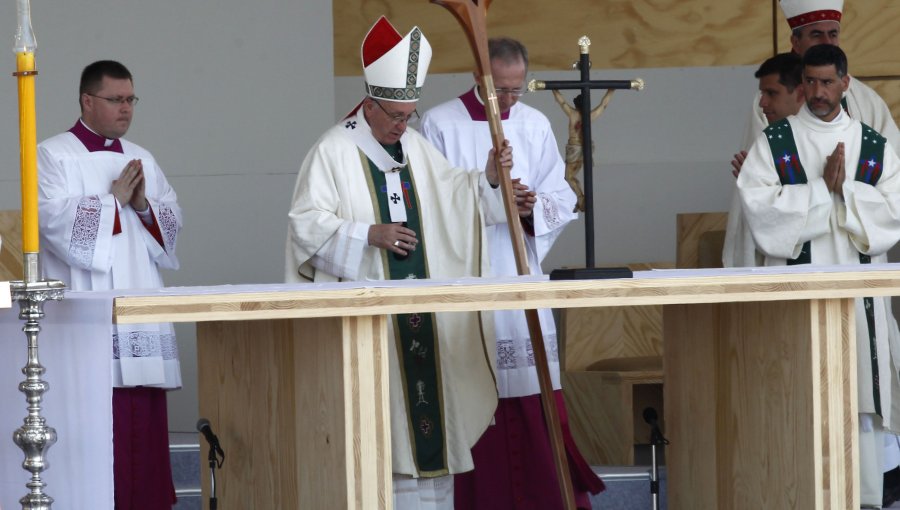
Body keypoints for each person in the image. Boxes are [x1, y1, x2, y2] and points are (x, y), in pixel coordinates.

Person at [284, 16, 512, 510]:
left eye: (409, 115)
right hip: (373, 330)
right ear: (368, 104)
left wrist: (489, 179)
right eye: (394, 115)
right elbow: (304, 225)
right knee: (383, 432)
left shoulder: (413, 146)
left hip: (422, 325)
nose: (401, 125)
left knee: (433, 435)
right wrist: (367, 233)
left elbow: (456, 198)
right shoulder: (333, 151)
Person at [420, 37, 604, 509]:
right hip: (470, 282)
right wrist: (493, 196)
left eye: (516, 90)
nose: (506, 100)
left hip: (520, 274)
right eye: (498, 90)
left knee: (531, 394)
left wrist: (529, 210)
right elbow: (432, 209)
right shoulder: (440, 124)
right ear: (479, 80)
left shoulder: (535, 123)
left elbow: (562, 198)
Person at [737, 44, 900, 509]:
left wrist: (845, 189)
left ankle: (863, 498)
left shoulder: (872, 145)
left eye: (828, 82)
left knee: (859, 398)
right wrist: (819, 191)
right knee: (798, 396)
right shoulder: (775, 141)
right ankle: (797, 493)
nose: (818, 91)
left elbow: (893, 214)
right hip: (798, 292)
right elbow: (759, 209)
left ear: (846, 84)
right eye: (810, 81)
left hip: (857, 296)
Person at [37, 60, 183, 509]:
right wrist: (111, 202)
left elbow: (171, 228)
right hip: (90, 314)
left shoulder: (142, 157)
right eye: (116, 99)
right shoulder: (53, 154)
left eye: (130, 100)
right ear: (87, 100)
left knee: (143, 423)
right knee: (98, 420)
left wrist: (142, 207)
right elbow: (53, 225)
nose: (126, 109)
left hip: (138, 303)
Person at [723, 52, 805, 268]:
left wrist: (759, 183)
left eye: (771, 93)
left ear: (800, 93)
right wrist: (753, 186)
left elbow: (825, 203)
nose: (762, 103)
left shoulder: (830, 140)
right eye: (762, 93)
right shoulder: (767, 142)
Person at [550, 88, 615, 212]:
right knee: (571, 176)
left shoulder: (573, 114)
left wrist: (554, 89)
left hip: (575, 148)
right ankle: (579, 200)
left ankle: (580, 199)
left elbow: (561, 102)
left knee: (569, 177)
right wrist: (611, 91)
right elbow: (603, 105)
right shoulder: (589, 115)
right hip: (584, 148)